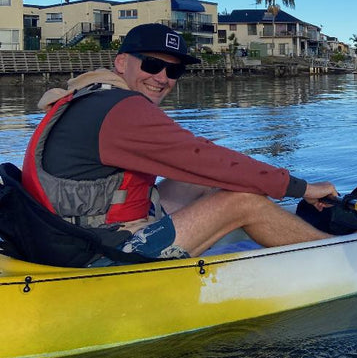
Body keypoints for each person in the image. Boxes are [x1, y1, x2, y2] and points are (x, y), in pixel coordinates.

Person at [20, 23, 338, 264]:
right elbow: (205, 156)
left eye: (174, 70)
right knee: (242, 201)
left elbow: (202, 167)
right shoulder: (122, 109)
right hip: (93, 253)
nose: (163, 78)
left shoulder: (90, 97)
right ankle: (334, 253)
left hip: (65, 236)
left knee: (194, 182)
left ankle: (279, 231)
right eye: (151, 64)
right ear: (121, 63)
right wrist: (302, 188)